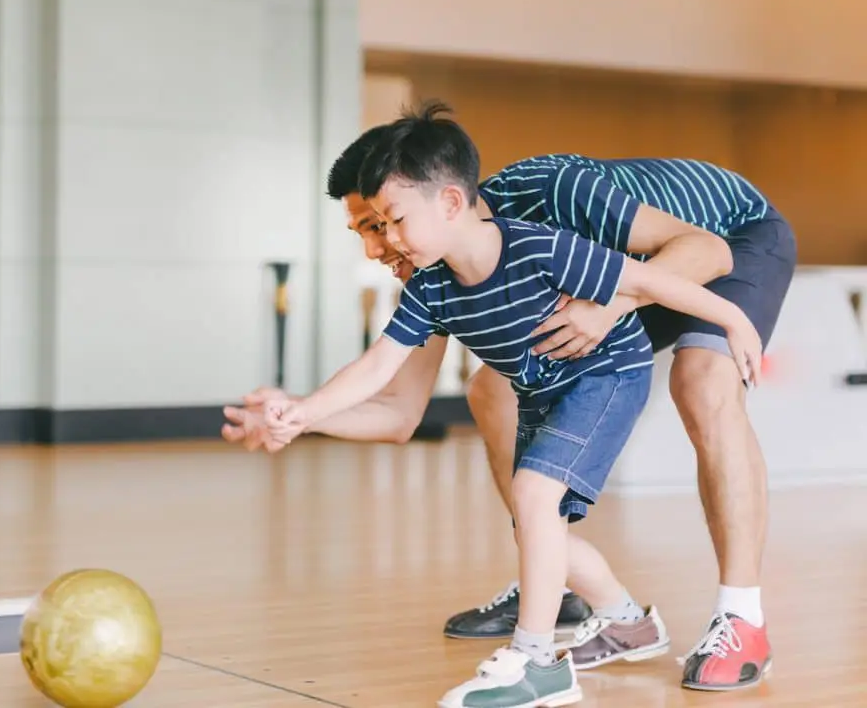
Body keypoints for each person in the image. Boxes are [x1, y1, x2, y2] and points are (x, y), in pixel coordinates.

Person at [223, 106, 796, 692]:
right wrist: (298, 416)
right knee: (489, 391)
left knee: (700, 381)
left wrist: (609, 306)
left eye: (383, 222)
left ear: (442, 200)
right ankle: (555, 577)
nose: (378, 247)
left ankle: (742, 615)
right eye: (367, 230)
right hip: (618, 286)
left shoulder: (549, 196)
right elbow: (399, 411)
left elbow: (705, 252)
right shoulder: (437, 269)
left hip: (728, 236)